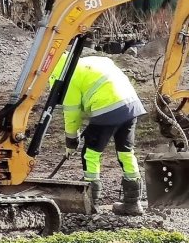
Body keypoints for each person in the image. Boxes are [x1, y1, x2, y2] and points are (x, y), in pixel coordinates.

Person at [52, 54, 147, 215]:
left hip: (107, 108)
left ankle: (91, 204)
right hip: (131, 104)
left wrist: (71, 142)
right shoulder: (90, 62)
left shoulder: (66, 78)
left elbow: (72, 115)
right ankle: (133, 203)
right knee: (125, 152)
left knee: (90, 153)